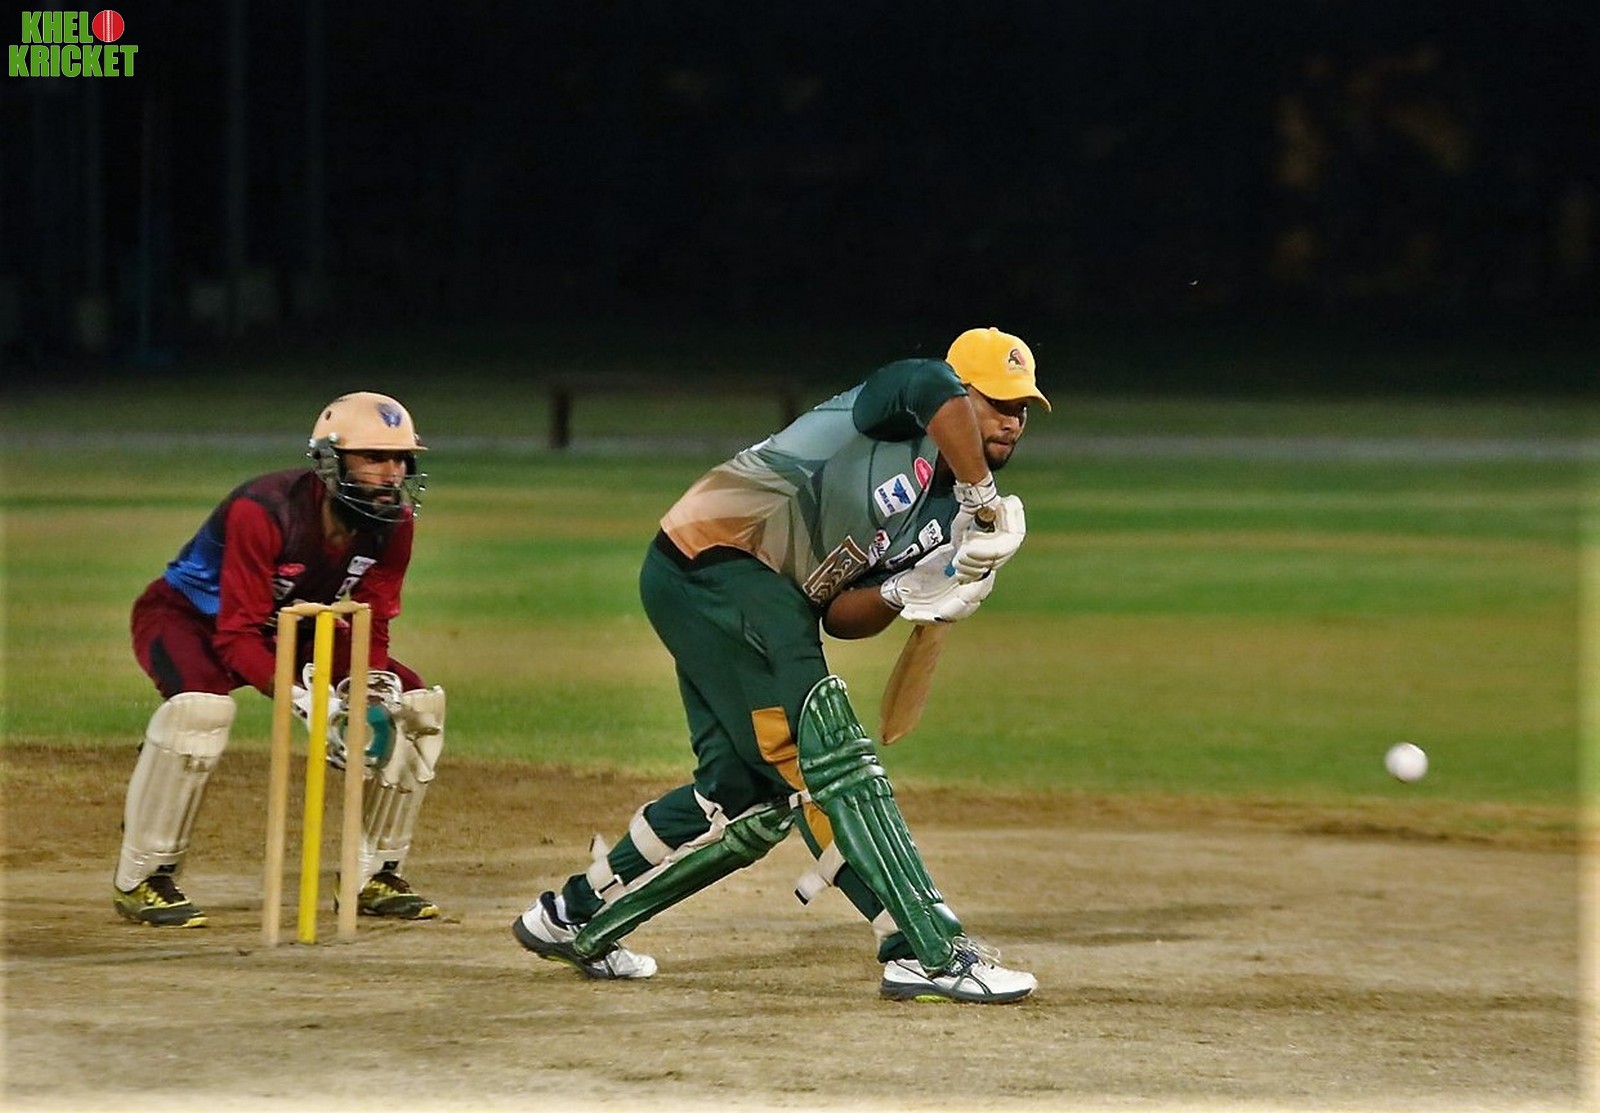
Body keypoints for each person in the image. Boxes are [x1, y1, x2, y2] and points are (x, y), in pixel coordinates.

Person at [511, 327, 1048, 1003]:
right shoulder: (895, 407)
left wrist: (906, 592)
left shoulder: (944, 511)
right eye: (996, 402)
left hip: (734, 595)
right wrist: (982, 498)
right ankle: (923, 948)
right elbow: (928, 385)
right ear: (962, 393)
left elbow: (838, 615)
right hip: (722, 557)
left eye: (1021, 408)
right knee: (827, 756)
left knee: (741, 790)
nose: (1011, 420)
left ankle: (572, 914)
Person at [113, 391, 448, 928]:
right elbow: (236, 636)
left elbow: (372, 619)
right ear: (331, 462)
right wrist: (308, 702)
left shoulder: (395, 524)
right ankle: (145, 877)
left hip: (300, 626)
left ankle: (374, 875)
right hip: (193, 620)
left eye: (400, 459)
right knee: (199, 711)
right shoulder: (265, 510)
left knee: (412, 706)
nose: (392, 473)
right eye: (374, 457)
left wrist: (364, 693)